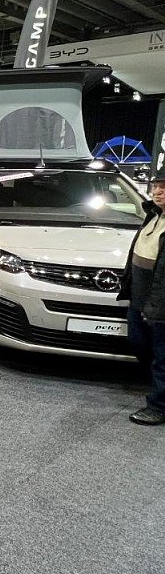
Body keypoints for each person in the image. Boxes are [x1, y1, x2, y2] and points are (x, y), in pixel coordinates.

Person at [119, 170, 165, 426]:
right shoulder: (153, 214)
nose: (157, 191)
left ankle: (158, 407)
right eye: (156, 185)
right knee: (138, 342)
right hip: (140, 298)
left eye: (164, 187)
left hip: (160, 304)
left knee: (162, 356)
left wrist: (156, 306)